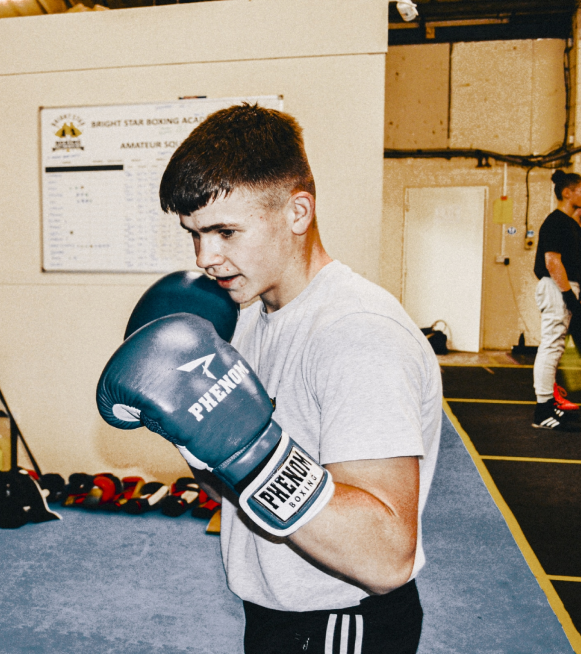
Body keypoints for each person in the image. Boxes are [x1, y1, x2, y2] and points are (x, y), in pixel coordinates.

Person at [99, 104, 442, 653]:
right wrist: (191, 430)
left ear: (298, 210)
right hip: (273, 614)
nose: (206, 257)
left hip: (342, 622)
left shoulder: (357, 333)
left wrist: (248, 449)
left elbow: (385, 557)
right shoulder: (250, 317)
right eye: (194, 235)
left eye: (225, 231)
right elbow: (235, 492)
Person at [532, 170, 581, 430]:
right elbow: (552, 262)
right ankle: (542, 410)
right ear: (567, 192)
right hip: (556, 287)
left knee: (557, 346)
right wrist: (568, 296)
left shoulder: (570, 222)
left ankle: (550, 404)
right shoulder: (555, 222)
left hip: (564, 287)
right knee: (551, 345)